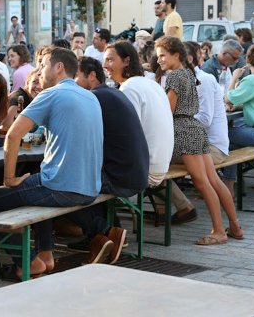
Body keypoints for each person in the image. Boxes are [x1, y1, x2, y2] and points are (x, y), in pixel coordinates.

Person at [0, 48, 125, 278]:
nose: (38, 71)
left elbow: (12, 136)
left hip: (61, 188)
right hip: (90, 189)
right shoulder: (89, 96)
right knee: (36, 179)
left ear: (58, 67)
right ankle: (45, 255)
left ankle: (28, 262)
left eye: (42, 65)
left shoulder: (51, 94)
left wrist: (9, 179)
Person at [155, 36, 242, 245]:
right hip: (196, 131)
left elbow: (168, 112)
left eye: (162, 56)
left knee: (203, 183)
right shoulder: (189, 73)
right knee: (212, 181)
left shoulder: (175, 76)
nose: (159, 60)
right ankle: (235, 227)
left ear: (176, 55)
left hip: (184, 133)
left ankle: (219, 231)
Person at [75, 56, 149, 199]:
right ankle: (107, 221)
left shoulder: (95, 97)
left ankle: (99, 222)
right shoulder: (114, 93)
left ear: (91, 76)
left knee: (67, 183)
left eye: (76, 76)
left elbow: (80, 140)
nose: (72, 82)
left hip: (120, 181)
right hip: (137, 177)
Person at [107, 42, 174, 189]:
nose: (105, 65)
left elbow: (127, 137)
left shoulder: (129, 88)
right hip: (161, 164)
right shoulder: (151, 84)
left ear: (126, 61)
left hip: (146, 170)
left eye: (110, 60)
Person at [222, 44, 254, 206]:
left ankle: (228, 187)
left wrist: (234, 78)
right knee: (232, 143)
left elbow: (228, 98)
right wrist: (237, 103)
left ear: (247, 60)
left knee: (225, 136)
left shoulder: (252, 80)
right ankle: (229, 187)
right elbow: (250, 101)